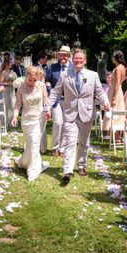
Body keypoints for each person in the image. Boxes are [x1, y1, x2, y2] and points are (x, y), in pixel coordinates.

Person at [46, 49, 109, 185]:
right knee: (70, 142)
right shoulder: (65, 75)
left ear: (84, 61)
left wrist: (106, 102)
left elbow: (100, 92)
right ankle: (67, 171)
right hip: (70, 114)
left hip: (86, 113)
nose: (78, 61)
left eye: (81, 59)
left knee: (84, 142)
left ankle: (81, 165)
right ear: (72, 60)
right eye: (76, 59)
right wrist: (47, 107)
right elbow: (55, 92)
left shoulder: (93, 75)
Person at [11, 66, 49, 181]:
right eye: (30, 80)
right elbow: (18, 104)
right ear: (26, 77)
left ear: (38, 78)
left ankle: (33, 170)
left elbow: (45, 100)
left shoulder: (41, 86)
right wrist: (15, 116)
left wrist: (48, 110)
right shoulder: (21, 87)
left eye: (34, 80)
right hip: (26, 119)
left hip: (39, 118)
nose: (32, 82)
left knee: (35, 142)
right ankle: (25, 161)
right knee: (30, 143)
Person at [45, 46, 72, 156]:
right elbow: (47, 82)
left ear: (68, 56)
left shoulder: (73, 67)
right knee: (58, 122)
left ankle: (63, 147)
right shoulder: (53, 67)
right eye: (60, 55)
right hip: (56, 100)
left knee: (66, 124)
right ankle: (55, 147)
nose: (62, 57)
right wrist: (52, 92)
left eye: (64, 55)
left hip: (69, 100)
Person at [103, 50, 127, 136]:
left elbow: (117, 83)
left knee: (115, 111)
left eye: (113, 56)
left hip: (115, 91)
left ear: (116, 57)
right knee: (117, 111)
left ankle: (116, 137)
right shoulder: (122, 67)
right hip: (116, 90)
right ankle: (115, 136)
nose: (112, 58)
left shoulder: (118, 68)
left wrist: (114, 97)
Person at [0, 58, 16, 128]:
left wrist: (15, 82)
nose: (12, 64)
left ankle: (12, 123)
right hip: (5, 91)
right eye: (10, 63)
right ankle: (4, 123)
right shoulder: (3, 72)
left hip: (12, 90)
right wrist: (7, 83)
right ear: (7, 64)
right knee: (6, 106)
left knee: (12, 105)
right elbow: (0, 82)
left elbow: (15, 79)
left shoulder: (12, 72)